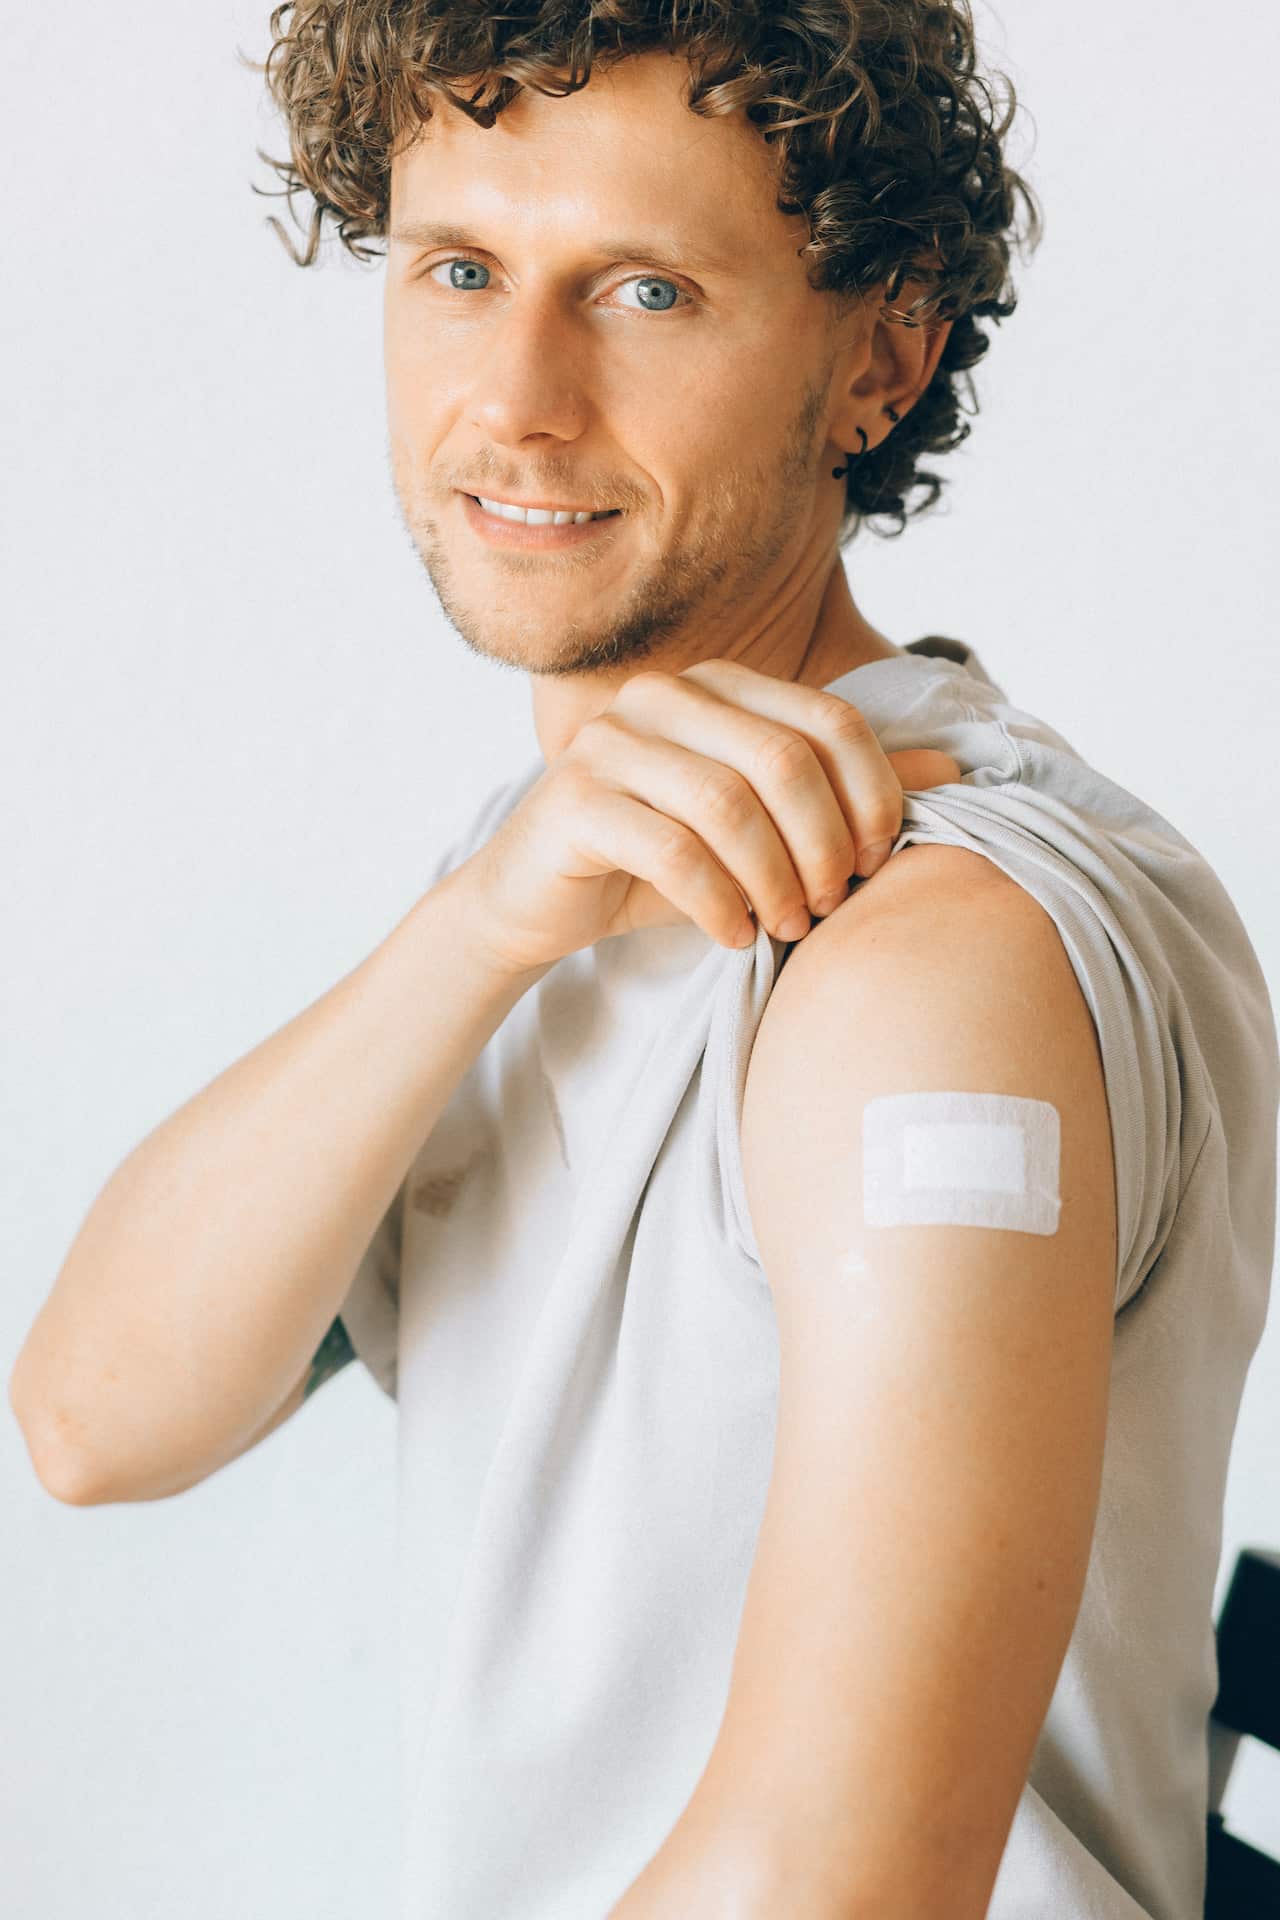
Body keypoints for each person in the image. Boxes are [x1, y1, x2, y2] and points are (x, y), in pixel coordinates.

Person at [11, 7, 1276, 1919]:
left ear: (880, 354)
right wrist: (484, 925)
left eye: (647, 292)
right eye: (460, 270)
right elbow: (94, 1421)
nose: (517, 397)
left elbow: (843, 1880)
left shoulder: (935, 957)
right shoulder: (555, 891)